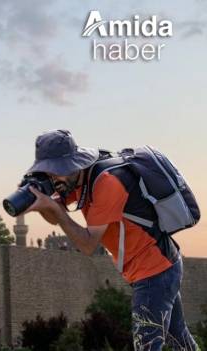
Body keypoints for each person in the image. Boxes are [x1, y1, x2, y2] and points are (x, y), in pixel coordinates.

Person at [23, 129, 197, 351]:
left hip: (155, 271)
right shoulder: (78, 178)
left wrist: (53, 208)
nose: (54, 178)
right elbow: (55, 214)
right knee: (179, 338)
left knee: (146, 345)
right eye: (48, 173)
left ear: (73, 164)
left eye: (58, 171)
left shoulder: (107, 182)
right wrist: (42, 201)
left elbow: (87, 245)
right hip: (158, 266)